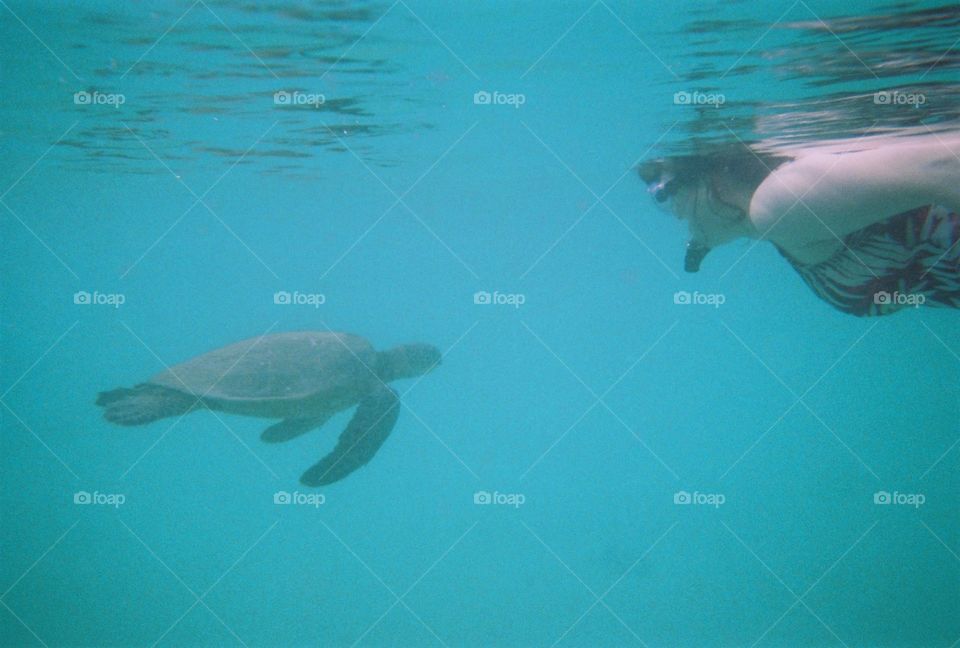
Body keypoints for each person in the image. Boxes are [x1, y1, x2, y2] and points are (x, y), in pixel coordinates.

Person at [640, 133, 960, 315]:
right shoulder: (779, 220)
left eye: (663, 197)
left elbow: (946, 166)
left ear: (704, 179)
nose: (678, 215)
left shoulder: (778, 208)